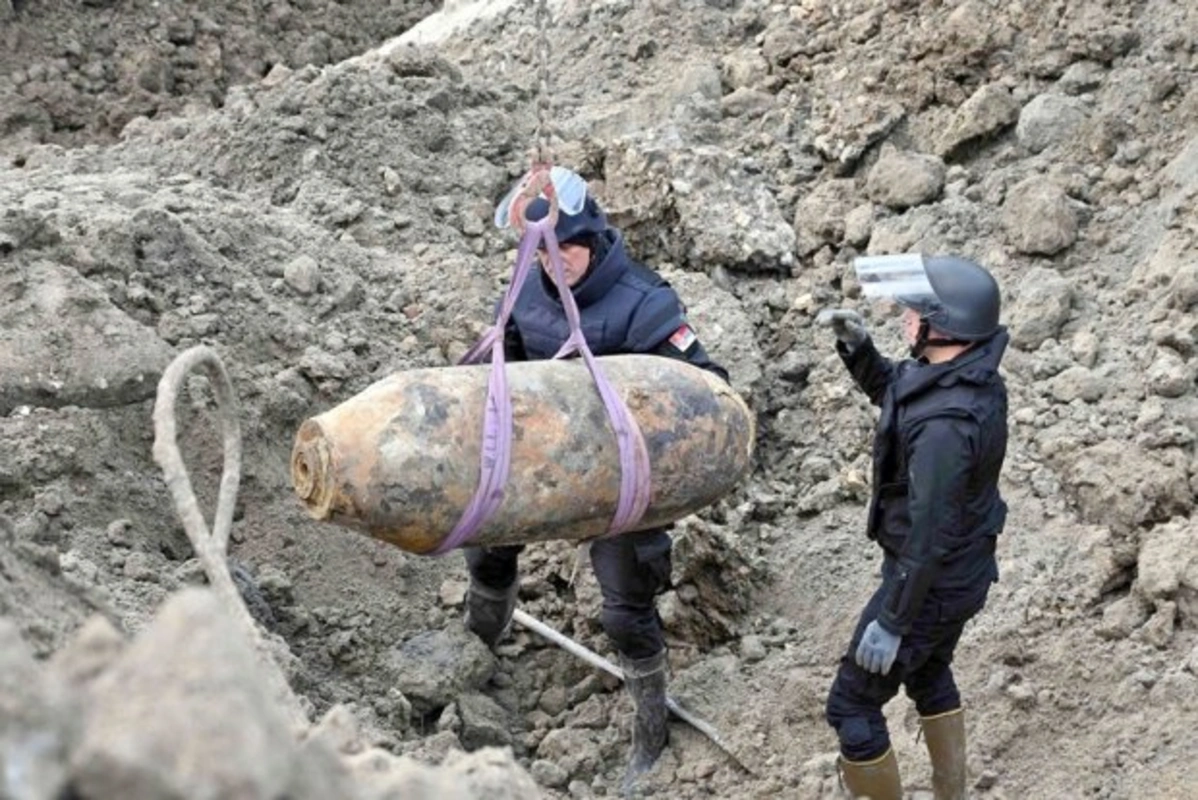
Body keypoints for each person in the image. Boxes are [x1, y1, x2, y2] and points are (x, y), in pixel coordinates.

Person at [462, 186, 729, 789]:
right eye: (543, 256)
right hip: (544, 455)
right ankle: (480, 643)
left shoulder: (645, 305)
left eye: (566, 252)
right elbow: (503, 360)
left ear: (593, 238)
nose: (555, 266)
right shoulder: (528, 289)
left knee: (624, 604)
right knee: (488, 548)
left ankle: (650, 725)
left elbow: (705, 387)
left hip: (622, 478)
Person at [815, 254, 1009, 800]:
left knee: (851, 706)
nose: (903, 317)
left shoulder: (948, 425)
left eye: (914, 311)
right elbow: (901, 393)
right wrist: (860, 353)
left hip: (930, 581)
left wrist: (895, 619)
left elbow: (929, 534)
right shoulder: (962, 376)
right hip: (959, 574)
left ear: (941, 325)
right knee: (927, 672)